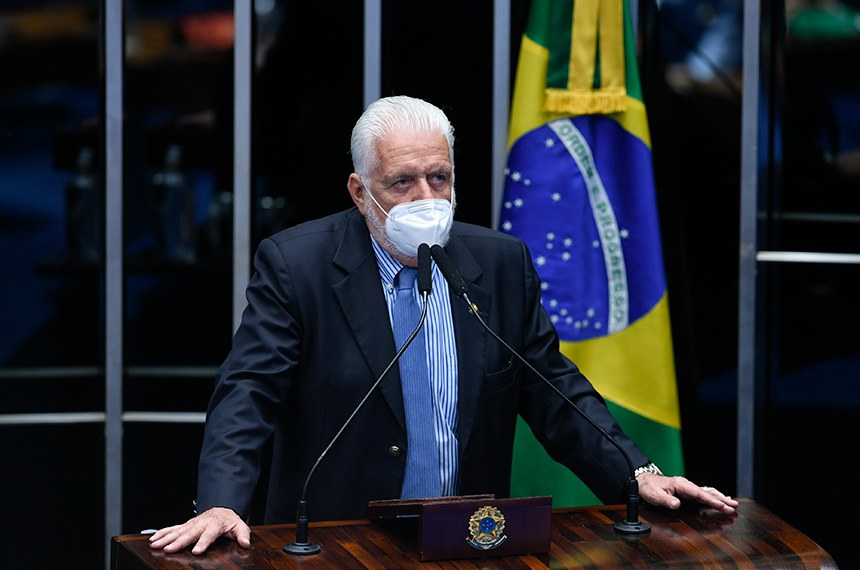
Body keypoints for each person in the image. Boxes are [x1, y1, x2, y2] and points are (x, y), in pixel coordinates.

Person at [149, 95, 738, 555]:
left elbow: (555, 391)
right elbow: (248, 393)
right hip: (334, 542)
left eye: (439, 177)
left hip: (468, 540)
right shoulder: (297, 266)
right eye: (401, 182)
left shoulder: (500, 264)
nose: (425, 197)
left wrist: (637, 473)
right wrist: (222, 502)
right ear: (360, 191)